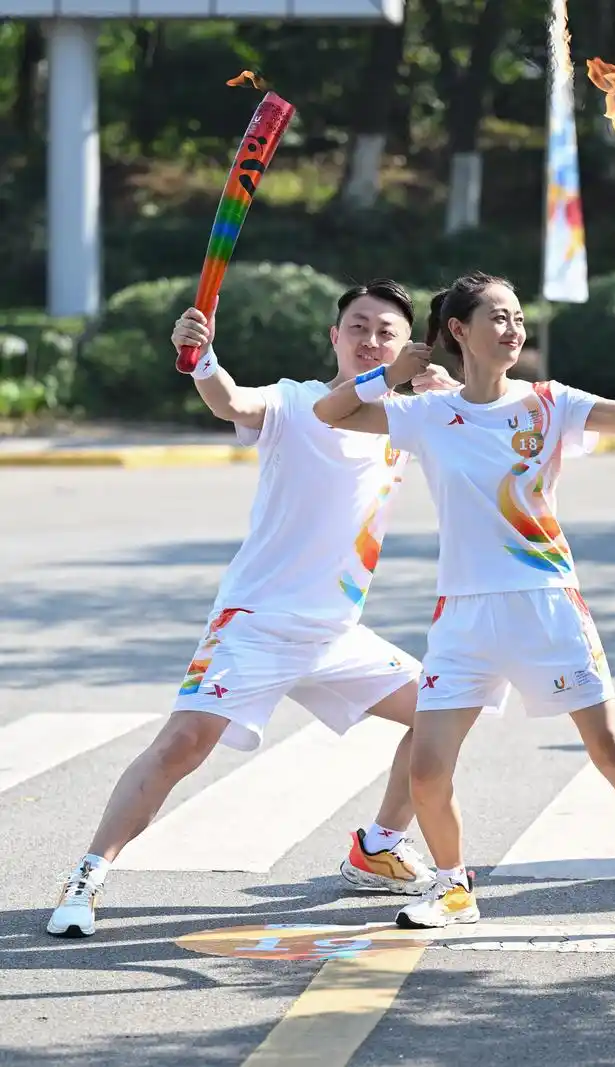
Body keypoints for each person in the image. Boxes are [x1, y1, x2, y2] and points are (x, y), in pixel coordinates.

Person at [313, 270, 615, 942]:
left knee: (611, 750)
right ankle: (453, 886)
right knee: (428, 768)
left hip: (546, 604)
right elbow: (332, 412)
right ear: (459, 332)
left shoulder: (549, 404)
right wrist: (395, 371)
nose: (514, 327)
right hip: (463, 616)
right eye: (497, 316)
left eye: (517, 315)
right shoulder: (427, 414)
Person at [47, 279, 460, 939]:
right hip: (256, 623)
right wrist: (203, 359)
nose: (370, 339)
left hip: (335, 632)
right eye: (357, 326)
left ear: (408, 344)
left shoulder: (406, 419)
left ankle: (378, 846)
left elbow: (491, 441)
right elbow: (228, 400)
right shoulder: (296, 401)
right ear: (334, 336)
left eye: (386, 330)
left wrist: (453, 400)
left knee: (442, 711)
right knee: (182, 743)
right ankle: (89, 873)